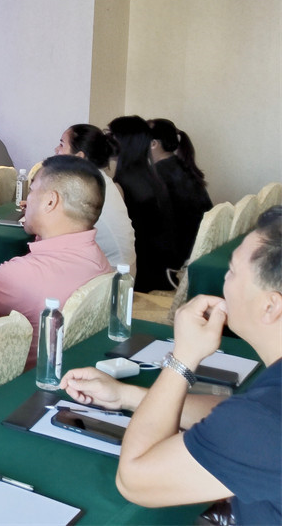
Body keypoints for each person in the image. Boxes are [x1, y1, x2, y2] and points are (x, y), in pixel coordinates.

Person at [61, 206, 281, 525]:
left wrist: (183, 358)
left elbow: (135, 480)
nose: (224, 280)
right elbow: (234, 416)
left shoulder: (263, 423)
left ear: (270, 306)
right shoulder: (261, 413)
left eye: (232, 272)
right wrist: (125, 396)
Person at [0, 155, 113, 367]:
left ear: (51, 201)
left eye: (32, 190)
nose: (25, 202)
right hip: (72, 366)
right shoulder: (96, 257)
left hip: (19, 379)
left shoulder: (24, 274)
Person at [55, 123, 136, 273]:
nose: (56, 150)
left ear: (79, 157)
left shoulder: (85, 187)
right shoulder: (98, 179)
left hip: (113, 274)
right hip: (121, 266)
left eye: (61, 144)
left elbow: (55, 228)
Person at [108, 115, 176, 291]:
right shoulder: (150, 175)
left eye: (110, 135)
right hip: (159, 266)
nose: (106, 140)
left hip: (141, 275)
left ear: (124, 142)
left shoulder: (123, 183)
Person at [149, 118, 212, 266]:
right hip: (199, 245)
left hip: (181, 253)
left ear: (154, 144)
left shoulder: (157, 174)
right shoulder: (183, 165)